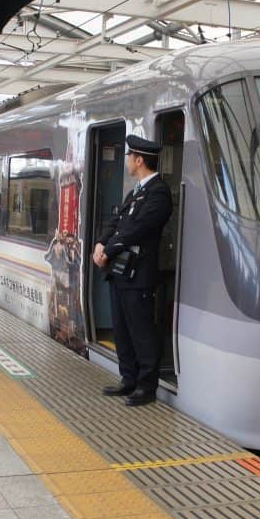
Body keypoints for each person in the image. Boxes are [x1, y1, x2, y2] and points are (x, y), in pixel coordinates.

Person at [93, 135, 173, 407]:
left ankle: (146, 387)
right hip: (121, 272)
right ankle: (128, 379)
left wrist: (108, 250)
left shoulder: (158, 193)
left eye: (129, 157)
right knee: (122, 330)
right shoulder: (136, 191)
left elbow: (135, 230)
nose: (127, 161)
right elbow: (117, 221)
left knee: (141, 332)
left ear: (139, 160)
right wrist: (101, 242)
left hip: (139, 275)